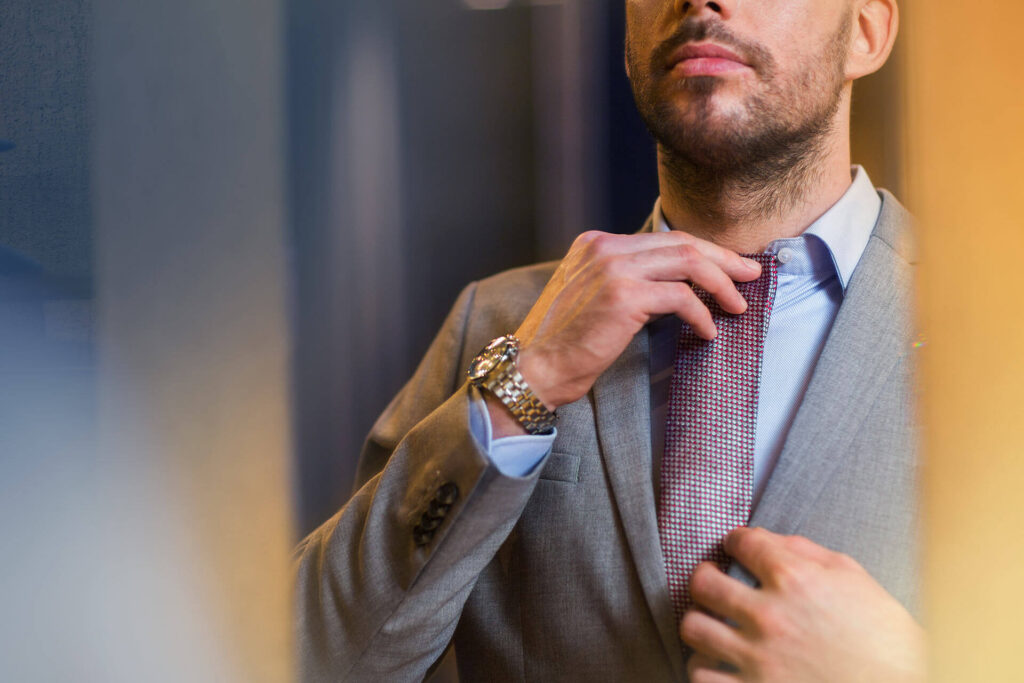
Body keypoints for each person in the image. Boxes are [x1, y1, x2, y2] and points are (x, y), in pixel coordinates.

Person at [294, 0, 926, 680]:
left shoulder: (994, 331)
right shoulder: (496, 324)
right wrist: (520, 388)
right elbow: (305, 659)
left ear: (866, 30)